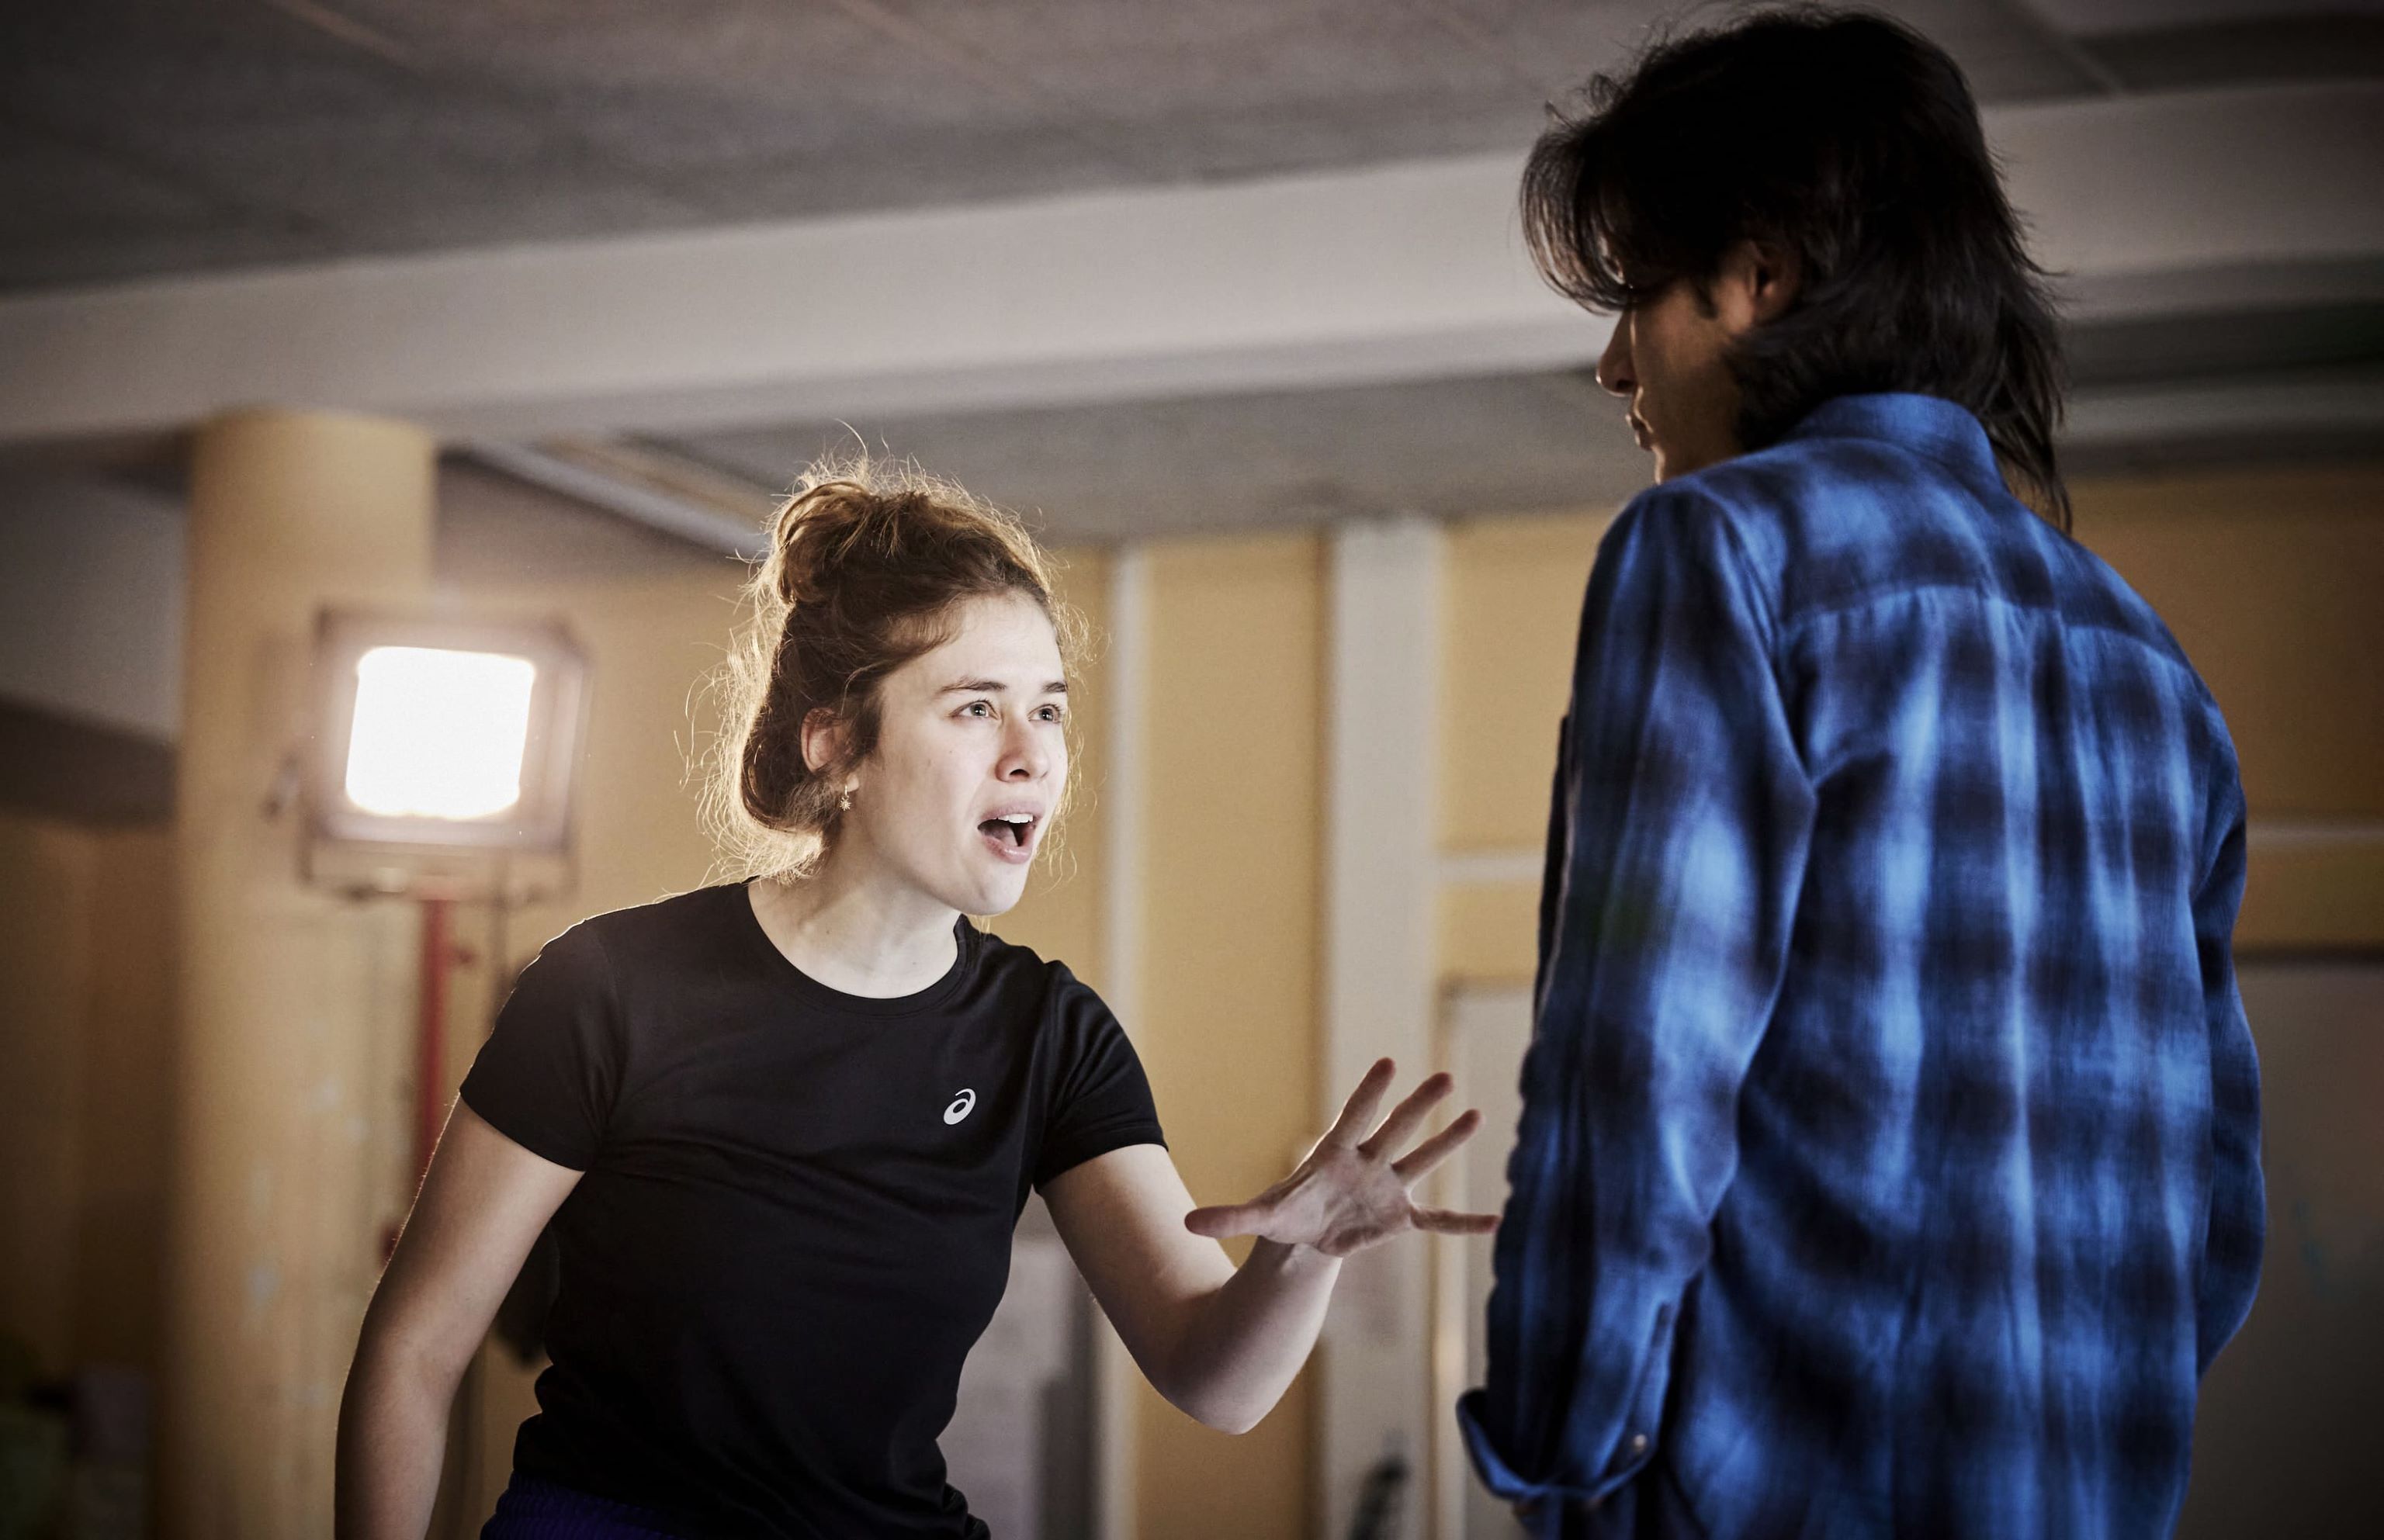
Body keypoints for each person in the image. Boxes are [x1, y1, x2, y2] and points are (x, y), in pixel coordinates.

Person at [334, 461, 1499, 1539]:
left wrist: (1304, 1258)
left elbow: (1214, 1378)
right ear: (838, 744)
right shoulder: (612, 988)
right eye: (975, 706)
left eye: (1049, 708)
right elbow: (414, 1349)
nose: (1032, 753)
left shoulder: (1049, 1036)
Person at [1458, 10, 2263, 1538]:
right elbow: (2216, 1204)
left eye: (1640, 296)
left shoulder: (1719, 549)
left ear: (1761, 277)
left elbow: (1634, 1077)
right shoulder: (2153, 669)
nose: (1617, 363)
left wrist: (1558, 1455)